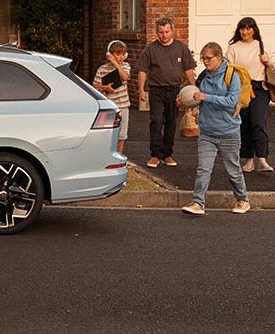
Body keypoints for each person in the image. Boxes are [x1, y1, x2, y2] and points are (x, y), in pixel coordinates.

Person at [181, 42, 251, 216]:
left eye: (208, 58)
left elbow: (231, 102)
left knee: (233, 170)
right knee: (203, 169)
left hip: (229, 132)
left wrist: (206, 97)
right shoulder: (204, 76)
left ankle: (243, 199)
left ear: (219, 57)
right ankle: (198, 202)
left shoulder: (231, 76)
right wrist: (187, 99)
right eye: (203, 58)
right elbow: (196, 96)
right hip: (207, 132)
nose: (205, 62)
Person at [134, 17, 196, 168]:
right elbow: (142, 70)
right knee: (156, 121)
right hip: (156, 90)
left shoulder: (181, 48)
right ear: (157, 32)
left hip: (174, 90)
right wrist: (141, 90)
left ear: (172, 31)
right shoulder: (150, 49)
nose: (164, 35)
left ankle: (167, 154)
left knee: (171, 122)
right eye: (161, 32)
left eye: (167, 31)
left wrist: (195, 87)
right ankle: (155, 155)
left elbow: (188, 70)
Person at [226, 16, 275, 173]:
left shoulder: (260, 45)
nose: (245, 32)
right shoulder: (234, 48)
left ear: (254, 30)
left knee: (258, 121)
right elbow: (228, 70)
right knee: (244, 123)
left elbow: (274, 67)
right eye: (242, 28)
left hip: (260, 88)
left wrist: (266, 61)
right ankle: (248, 160)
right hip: (241, 87)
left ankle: (262, 159)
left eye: (248, 28)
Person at [93, 40, 131, 153]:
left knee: (122, 135)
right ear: (109, 55)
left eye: (122, 54)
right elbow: (94, 86)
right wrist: (105, 88)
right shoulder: (102, 69)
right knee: (107, 134)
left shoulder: (125, 66)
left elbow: (125, 77)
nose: (120, 57)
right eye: (117, 54)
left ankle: (118, 155)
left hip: (123, 106)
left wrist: (116, 64)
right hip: (109, 106)